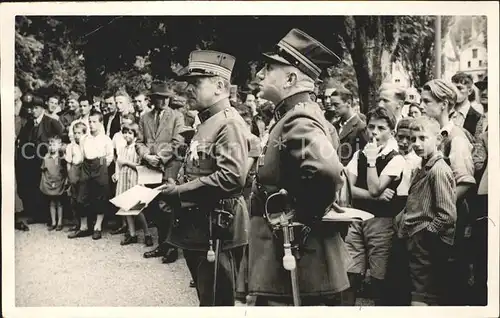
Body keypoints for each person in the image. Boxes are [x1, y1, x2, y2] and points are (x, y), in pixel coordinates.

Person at [247, 28, 348, 306]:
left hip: (297, 255)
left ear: (291, 78)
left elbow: (326, 171)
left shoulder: (299, 118)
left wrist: (301, 216)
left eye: (268, 68)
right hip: (290, 256)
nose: (259, 75)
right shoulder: (292, 115)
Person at [159, 50, 250, 306]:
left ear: (220, 86)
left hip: (218, 227)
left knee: (217, 303)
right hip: (202, 226)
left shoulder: (228, 123)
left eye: (196, 84)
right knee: (206, 299)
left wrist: (180, 193)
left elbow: (232, 178)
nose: (189, 90)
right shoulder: (208, 122)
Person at [420, 79, 476, 305]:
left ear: (443, 104)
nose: (422, 106)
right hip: (435, 220)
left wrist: (440, 208)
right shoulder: (433, 135)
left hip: (449, 221)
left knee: (449, 283)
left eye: (427, 101)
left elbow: (466, 181)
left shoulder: (456, 138)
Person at [343, 106, 405, 306]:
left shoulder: (395, 158)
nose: (374, 133)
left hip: (381, 222)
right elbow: (351, 190)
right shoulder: (358, 154)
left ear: (391, 132)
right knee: (351, 271)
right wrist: (375, 198)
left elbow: (374, 187)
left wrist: (371, 162)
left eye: (381, 128)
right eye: (371, 127)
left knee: (379, 275)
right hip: (358, 218)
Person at [394, 116, 457, 306]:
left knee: (423, 294)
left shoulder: (438, 170)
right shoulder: (424, 167)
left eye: (423, 138)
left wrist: (426, 234)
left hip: (425, 241)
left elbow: (447, 214)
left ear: (438, 139)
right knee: (419, 289)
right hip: (415, 238)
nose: (417, 144)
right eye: (413, 139)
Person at [136, 81, 185, 264]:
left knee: (169, 207)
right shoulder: (144, 117)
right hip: (151, 169)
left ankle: (172, 247)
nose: (163, 101)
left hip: (170, 166)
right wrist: (147, 156)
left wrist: (160, 157)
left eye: (166, 98)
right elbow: (139, 142)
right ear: (153, 99)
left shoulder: (177, 117)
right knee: (156, 207)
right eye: (159, 98)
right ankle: (162, 244)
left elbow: (177, 142)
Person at [384, 117, 422, 305]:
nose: (404, 142)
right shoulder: (391, 156)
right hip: (392, 205)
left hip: (409, 206)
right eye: (401, 137)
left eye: (409, 138)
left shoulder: (417, 161)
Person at [16, 95, 64, 224]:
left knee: (49, 189)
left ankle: (49, 217)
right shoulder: (29, 123)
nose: (33, 111)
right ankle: (36, 214)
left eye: (36, 108)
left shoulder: (51, 122)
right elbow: (23, 140)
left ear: (43, 108)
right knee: (33, 187)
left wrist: (55, 157)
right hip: (31, 162)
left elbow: (63, 138)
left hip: (47, 163)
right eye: (31, 108)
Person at [68, 110, 114, 240]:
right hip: (86, 167)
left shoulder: (106, 139)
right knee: (82, 197)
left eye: (94, 122)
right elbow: (82, 154)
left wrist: (101, 166)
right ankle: (84, 227)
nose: (91, 124)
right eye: (90, 122)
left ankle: (97, 227)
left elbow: (109, 156)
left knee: (100, 197)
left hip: (100, 166)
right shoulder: (84, 138)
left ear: (100, 123)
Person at [112, 123, 153, 246]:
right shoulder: (123, 148)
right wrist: (116, 174)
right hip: (124, 178)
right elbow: (118, 163)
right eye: (125, 132)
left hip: (134, 179)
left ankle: (147, 234)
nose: (126, 135)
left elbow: (141, 166)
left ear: (135, 135)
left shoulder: (137, 148)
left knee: (137, 208)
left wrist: (126, 162)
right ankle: (132, 233)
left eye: (130, 133)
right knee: (126, 206)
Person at [331, 86, 369, 166]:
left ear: (348, 103)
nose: (333, 108)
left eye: (336, 105)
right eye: (332, 105)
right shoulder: (333, 126)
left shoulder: (361, 127)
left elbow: (363, 158)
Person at [40, 134, 67, 231]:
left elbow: (64, 171)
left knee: (59, 203)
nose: (52, 147)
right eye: (50, 145)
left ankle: (60, 222)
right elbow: (43, 170)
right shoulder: (46, 157)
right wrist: (45, 182)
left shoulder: (61, 158)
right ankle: (53, 222)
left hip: (59, 182)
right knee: (51, 203)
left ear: (59, 145)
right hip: (49, 182)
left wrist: (65, 182)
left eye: (54, 145)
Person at [65, 121, 88, 232]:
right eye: (75, 133)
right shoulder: (71, 146)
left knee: (83, 199)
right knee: (73, 199)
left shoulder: (87, 144)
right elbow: (68, 162)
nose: (76, 135)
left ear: (84, 133)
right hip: (75, 171)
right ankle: (77, 223)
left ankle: (87, 224)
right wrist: (70, 177)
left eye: (79, 133)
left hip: (85, 171)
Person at [450, 72, 482, 137]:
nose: (455, 91)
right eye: (452, 88)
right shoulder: (446, 113)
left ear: (469, 91)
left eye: (459, 88)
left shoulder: (478, 118)